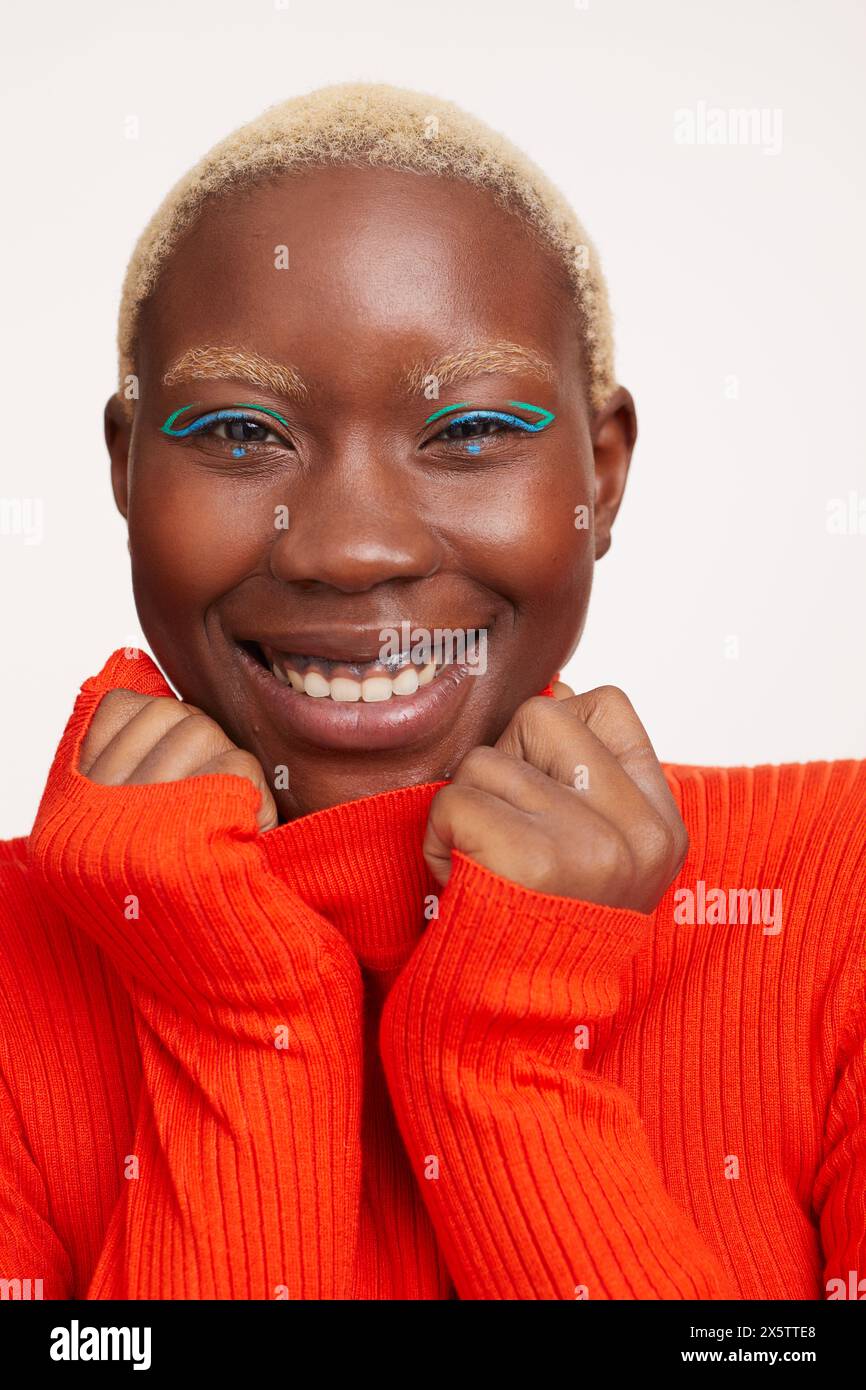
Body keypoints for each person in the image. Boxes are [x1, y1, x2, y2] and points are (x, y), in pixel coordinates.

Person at [1, 82, 863, 1302]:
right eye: (243, 432)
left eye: (466, 432)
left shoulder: (840, 898)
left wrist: (505, 1049)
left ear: (601, 476)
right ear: (127, 470)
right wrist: (245, 1027)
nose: (349, 548)